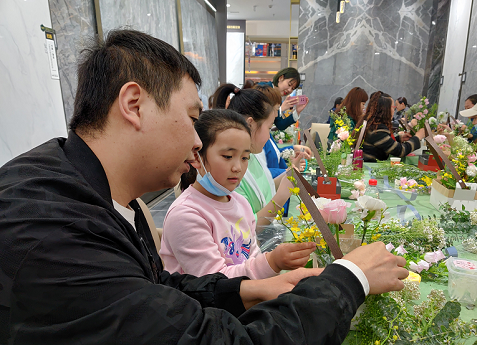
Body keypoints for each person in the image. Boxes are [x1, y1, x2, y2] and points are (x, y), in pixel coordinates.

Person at [0, 29, 409, 344]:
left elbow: (156, 288)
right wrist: (349, 279)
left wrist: (248, 289)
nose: (198, 142)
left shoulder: (91, 190)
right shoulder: (54, 228)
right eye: (192, 118)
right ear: (133, 104)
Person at [160, 109, 315, 279]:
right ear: (197, 157)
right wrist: (273, 262)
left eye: (244, 158)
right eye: (227, 156)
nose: (238, 168)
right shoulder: (186, 215)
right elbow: (214, 285)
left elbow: (252, 255)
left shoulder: (240, 202)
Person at [226, 88, 299, 227]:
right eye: (269, 128)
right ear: (250, 124)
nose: (269, 136)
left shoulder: (254, 155)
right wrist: (281, 196)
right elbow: (246, 227)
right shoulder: (231, 169)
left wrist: (288, 175)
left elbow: (266, 184)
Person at [254, 83, 311, 178]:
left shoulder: (265, 131)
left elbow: (273, 153)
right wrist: (288, 170)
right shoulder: (257, 137)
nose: (277, 115)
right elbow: (260, 172)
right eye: (277, 110)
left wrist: (292, 150)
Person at [362, 92, 425, 162]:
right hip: (371, 166)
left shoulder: (374, 125)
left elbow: (384, 144)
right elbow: (400, 151)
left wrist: (399, 138)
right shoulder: (377, 129)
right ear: (386, 110)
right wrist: (417, 137)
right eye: (393, 107)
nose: (394, 110)